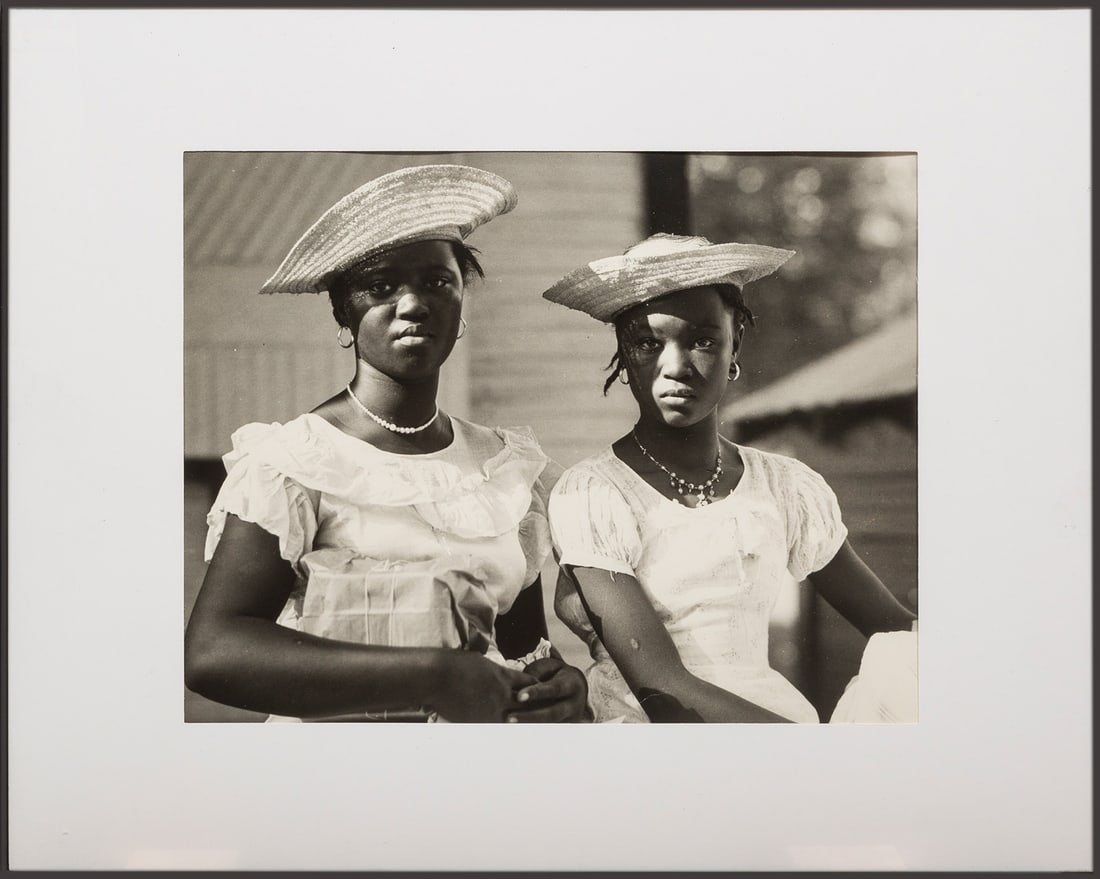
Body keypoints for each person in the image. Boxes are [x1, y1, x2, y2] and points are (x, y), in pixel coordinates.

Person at [185, 164, 588, 723]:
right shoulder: (294, 462)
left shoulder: (502, 468)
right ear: (344, 313)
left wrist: (559, 687)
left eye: (436, 282)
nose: (412, 304)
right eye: (379, 286)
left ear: (461, 306)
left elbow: (521, 649)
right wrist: (432, 675)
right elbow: (213, 654)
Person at [541, 233, 917, 723]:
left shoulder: (784, 487)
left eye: (701, 340)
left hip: (775, 724)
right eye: (648, 344)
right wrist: (818, 757)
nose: (675, 367)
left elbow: (897, 633)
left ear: (734, 343)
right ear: (625, 357)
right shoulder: (594, 493)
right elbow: (662, 691)